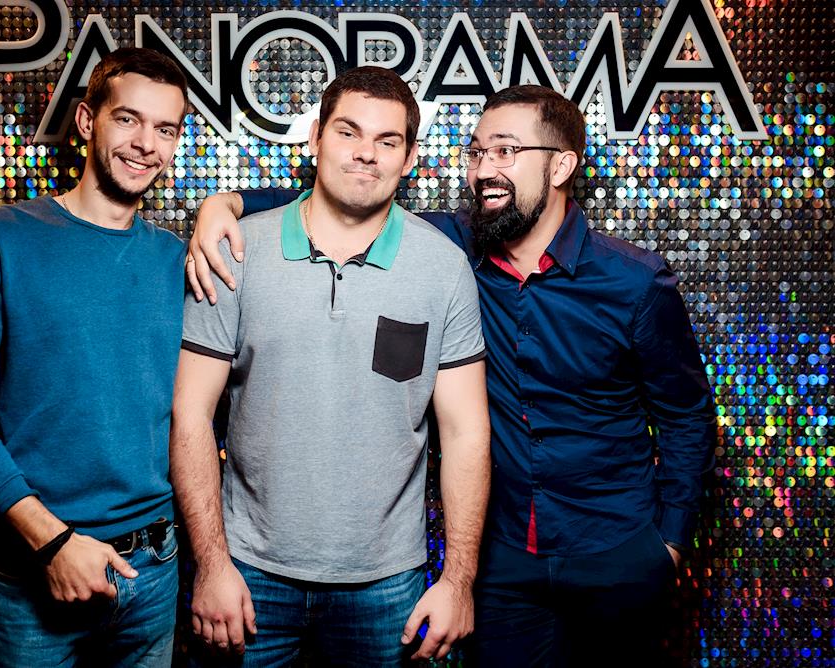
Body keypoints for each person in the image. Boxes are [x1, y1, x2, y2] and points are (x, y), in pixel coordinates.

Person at [187, 84, 717, 667]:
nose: (485, 169)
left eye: (507, 151)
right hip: (505, 559)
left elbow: (687, 416)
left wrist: (670, 540)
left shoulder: (633, 282)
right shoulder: (457, 244)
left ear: (561, 166)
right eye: (478, 152)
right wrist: (226, 204)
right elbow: (348, 193)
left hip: (615, 546)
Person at [170, 66, 490, 666]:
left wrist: (457, 581)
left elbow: (466, 434)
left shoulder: (443, 269)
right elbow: (190, 414)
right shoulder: (237, 249)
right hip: (249, 575)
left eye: (387, 141)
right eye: (348, 132)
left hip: (388, 585)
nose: (366, 153)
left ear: (409, 158)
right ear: (316, 137)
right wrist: (211, 563)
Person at [0, 48, 190, 666]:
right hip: (40, 567)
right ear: (87, 121)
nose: (145, 143)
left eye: (165, 129)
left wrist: (227, 205)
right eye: (128, 119)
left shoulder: (176, 259)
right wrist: (52, 542)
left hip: (156, 569)